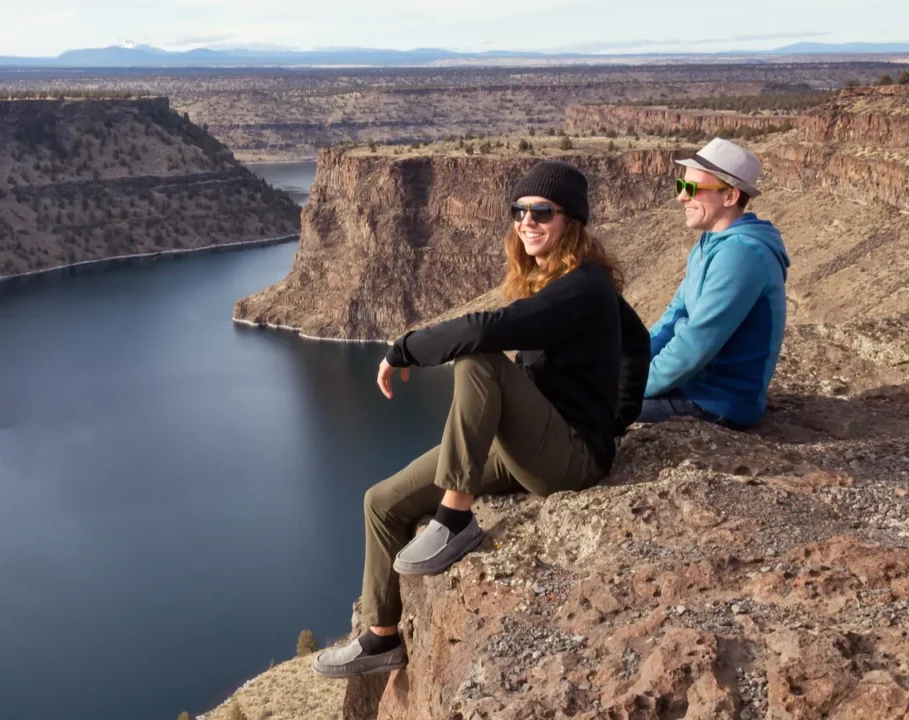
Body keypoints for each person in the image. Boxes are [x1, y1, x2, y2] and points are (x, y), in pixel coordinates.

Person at [312, 161, 651, 679]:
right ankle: (380, 637)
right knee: (381, 503)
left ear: (572, 222)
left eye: (542, 212)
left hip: (570, 461)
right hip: (529, 447)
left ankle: (454, 518)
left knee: (481, 359)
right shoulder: (564, 282)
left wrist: (403, 349)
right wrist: (622, 415)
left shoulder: (584, 287)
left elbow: (486, 329)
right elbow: (639, 342)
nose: (527, 221)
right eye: (519, 210)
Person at [639, 138, 790, 430]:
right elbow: (674, 317)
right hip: (695, 386)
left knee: (592, 408)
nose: (681, 197)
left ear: (730, 196)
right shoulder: (709, 244)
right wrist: (629, 364)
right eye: (680, 186)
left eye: (692, 188)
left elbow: (695, 343)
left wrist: (633, 388)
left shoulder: (742, 254)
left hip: (718, 402)